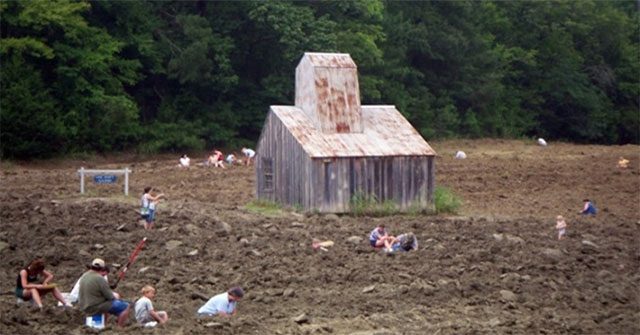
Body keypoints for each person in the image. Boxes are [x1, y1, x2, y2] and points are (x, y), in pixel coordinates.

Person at [78, 258, 130, 327]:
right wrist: (116, 296)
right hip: (94, 307)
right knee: (125, 306)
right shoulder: (99, 278)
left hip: (84, 305)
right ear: (102, 268)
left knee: (106, 305)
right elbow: (110, 297)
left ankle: (104, 325)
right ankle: (119, 328)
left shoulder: (84, 276)